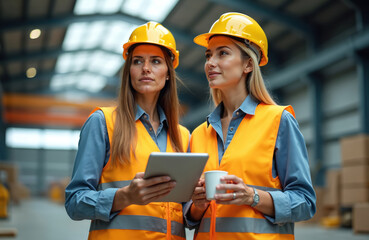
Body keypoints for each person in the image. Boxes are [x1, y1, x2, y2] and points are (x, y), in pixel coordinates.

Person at [187, 12, 316, 240]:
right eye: (208, 55)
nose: (210, 63)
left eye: (222, 53)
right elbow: (189, 216)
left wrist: (252, 196)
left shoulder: (278, 120)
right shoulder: (198, 134)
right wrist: (197, 205)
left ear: (248, 64)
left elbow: (305, 202)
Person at [65, 22, 189, 240]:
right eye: (137, 61)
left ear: (168, 73)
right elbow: (75, 202)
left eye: (156, 61)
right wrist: (125, 196)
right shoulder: (103, 123)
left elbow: (185, 212)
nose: (146, 68)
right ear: (129, 71)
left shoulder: (183, 136)